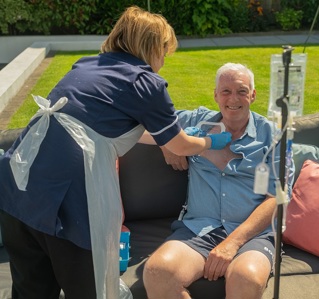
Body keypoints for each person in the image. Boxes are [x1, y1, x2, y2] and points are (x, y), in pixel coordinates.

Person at [0, 6, 231, 299]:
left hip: (17, 190)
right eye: (164, 52)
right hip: (69, 206)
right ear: (152, 47)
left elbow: (103, 128)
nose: (162, 62)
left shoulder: (85, 67)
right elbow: (179, 145)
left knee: (31, 292)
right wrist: (213, 144)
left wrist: (165, 140)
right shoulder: (145, 82)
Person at [142, 63, 294, 299]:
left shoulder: (274, 137)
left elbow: (275, 200)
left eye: (242, 91)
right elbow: (141, 125)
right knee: (157, 272)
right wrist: (167, 143)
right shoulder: (198, 122)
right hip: (198, 229)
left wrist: (232, 243)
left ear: (253, 95)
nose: (234, 98)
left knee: (246, 278)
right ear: (215, 95)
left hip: (252, 235)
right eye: (226, 91)